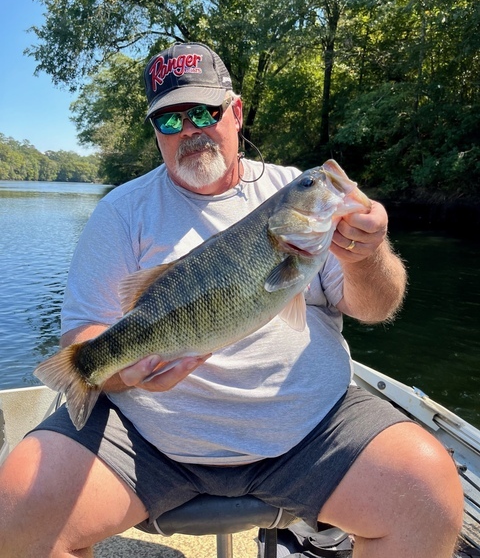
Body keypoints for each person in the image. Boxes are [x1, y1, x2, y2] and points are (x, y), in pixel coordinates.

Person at [0, 42, 462, 558]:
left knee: (431, 494)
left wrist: (365, 256)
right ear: (155, 133)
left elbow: (378, 308)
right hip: (150, 443)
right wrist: (122, 373)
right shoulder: (122, 212)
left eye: (203, 111)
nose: (189, 129)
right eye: (170, 120)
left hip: (312, 433)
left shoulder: (297, 194)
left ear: (236, 113)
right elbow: (85, 338)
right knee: (17, 509)